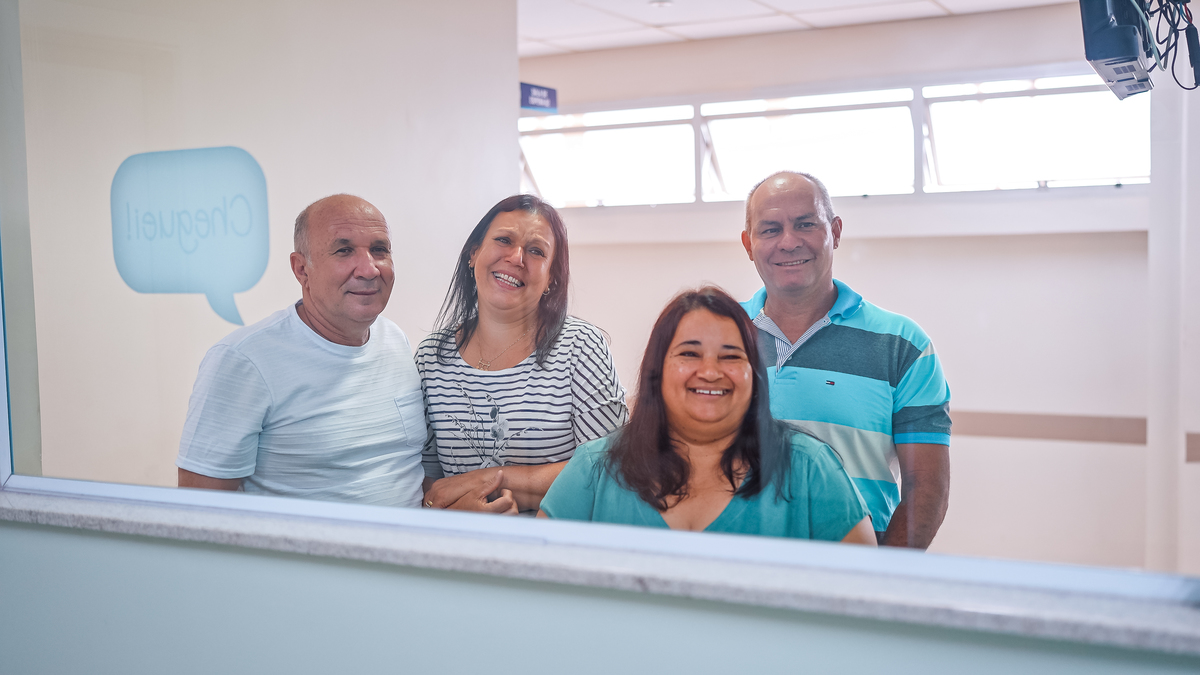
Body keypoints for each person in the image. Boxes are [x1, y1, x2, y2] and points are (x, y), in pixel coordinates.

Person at [539, 287, 875, 544]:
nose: (711, 372)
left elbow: (862, 600)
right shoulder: (593, 470)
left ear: (755, 376)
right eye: (689, 354)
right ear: (657, 370)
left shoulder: (811, 468)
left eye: (731, 357)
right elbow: (537, 592)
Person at [739, 171, 951, 548]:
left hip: (854, 563)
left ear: (835, 232)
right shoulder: (719, 335)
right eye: (770, 229)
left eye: (805, 224)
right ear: (748, 243)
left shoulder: (904, 345)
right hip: (732, 562)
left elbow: (926, 489)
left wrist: (880, 574)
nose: (788, 242)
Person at [176, 194, 427, 507]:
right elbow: (199, 508)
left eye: (379, 250)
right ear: (301, 269)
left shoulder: (395, 340)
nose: (369, 269)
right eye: (344, 250)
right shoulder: (243, 360)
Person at [417, 194, 628, 514]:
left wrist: (485, 481)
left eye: (536, 251)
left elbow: (613, 469)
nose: (516, 258)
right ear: (474, 253)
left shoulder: (580, 347)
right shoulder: (431, 358)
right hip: (458, 542)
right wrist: (458, 510)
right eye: (504, 240)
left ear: (551, 278)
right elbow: (425, 482)